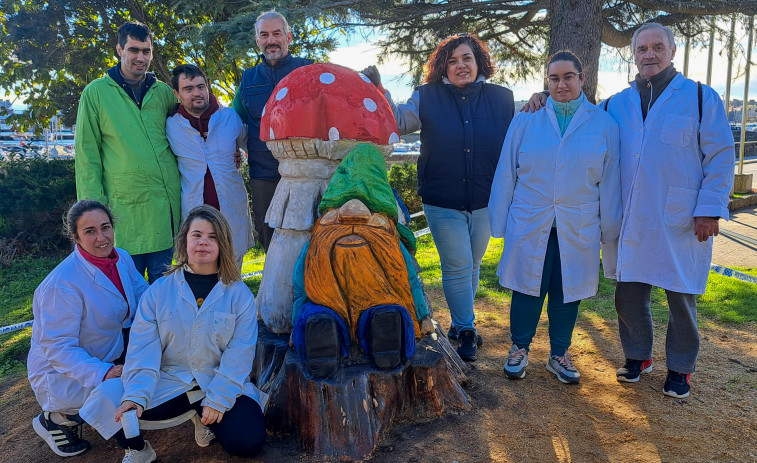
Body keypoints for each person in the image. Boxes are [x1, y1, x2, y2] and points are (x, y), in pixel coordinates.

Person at [525, 23, 734, 397]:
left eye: (657, 47)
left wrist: (709, 209)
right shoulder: (614, 104)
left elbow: (720, 156)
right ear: (634, 55)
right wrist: (544, 96)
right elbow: (579, 119)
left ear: (672, 51)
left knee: (680, 295)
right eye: (641, 49)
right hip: (630, 217)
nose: (649, 54)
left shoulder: (701, 98)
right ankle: (638, 356)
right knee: (628, 294)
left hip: (681, 218)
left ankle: (680, 368)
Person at [362, 33, 515, 361]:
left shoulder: (502, 99)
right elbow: (397, 121)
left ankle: (461, 324)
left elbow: (522, 134)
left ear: (479, 62)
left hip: (486, 197)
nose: (461, 65)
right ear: (442, 66)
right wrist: (379, 91)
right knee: (458, 263)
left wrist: (542, 100)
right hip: (442, 198)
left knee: (472, 265)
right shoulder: (427, 97)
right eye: (453, 60)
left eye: (467, 59)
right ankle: (467, 327)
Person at [80, 205, 267, 463]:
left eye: (212, 237)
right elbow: (142, 350)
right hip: (169, 380)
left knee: (248, 442)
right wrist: (136, 395)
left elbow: (240, 356)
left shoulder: (239, 295)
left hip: (218, 380)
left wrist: (218, 400)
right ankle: (138, 448)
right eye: (197, 235)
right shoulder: (158, 292)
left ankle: (206, 418)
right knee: (109, 398)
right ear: (184, 241)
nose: (204, 242)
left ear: (223, 243)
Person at [489, 51, 622, 384]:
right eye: (554, 78)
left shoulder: (603, 124)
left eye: (568, 77)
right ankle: (519, 348)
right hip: (530, 220)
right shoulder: (527, 119)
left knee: (567, 291)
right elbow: (507, 172)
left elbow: (610, 181)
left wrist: (610, 229)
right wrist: (499, 220)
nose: (561, 84)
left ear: (582, 77)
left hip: (578, 224)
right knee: (526, 288)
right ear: (547, 81)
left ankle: (559, 354)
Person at [28, 200, 149, 457]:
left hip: (105, 347)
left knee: (143, 376)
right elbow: (58, 348)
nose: (101, 238)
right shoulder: (62, 284)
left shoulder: (122, 258)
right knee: (119, 392)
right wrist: (103, 372)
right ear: (75, 236)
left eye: (105, 227)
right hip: (61, 372)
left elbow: (145, 299)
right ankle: (57, 419)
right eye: (90, 231)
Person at [75, 21, 181, 283]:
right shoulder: (96, 93)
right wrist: (92, 213)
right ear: (119, 50)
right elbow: (87, 156)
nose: (141, 57)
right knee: (123, 299)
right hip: (123, 217)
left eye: (146, 51)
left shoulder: (164, 93)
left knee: (162, 296)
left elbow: (189, 127)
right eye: (134, 50)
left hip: (163, 215)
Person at [232, 10, 313, 251]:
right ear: (257, 40)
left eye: (277, 33)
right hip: (264, 175)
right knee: (271, 240)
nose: (271, 40)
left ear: (288, 36)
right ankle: (276, 290)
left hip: (305, 173)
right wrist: (231, 150)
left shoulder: (308, 70)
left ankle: (309, 290)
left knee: (309, 236)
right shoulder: (248, 79)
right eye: (264, 35)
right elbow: (234, 121)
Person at [166, 64, 254, 267]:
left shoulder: (230, 118)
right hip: (194, 214)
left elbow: (251, 147)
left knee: (232, 273)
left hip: (230, 212)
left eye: (201, 86)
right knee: (198, 275)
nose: (197, 93)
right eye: (188, 89)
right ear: (177, 94)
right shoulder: (171, 126)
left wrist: (239, 157)